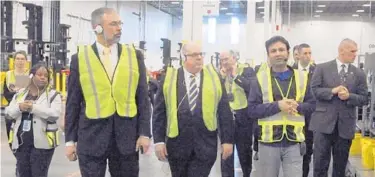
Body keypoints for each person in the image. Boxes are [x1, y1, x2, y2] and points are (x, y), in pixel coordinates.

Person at [64, 7, 151, 177]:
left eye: (120, 23)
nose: (119, 28)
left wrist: (145, 133)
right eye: (113, 24)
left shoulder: (134, 56)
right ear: (97, 28)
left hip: (126, 138)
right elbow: (73, 102)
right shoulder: (80, 58)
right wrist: (69, 141)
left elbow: (143, 98)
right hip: (91, 137)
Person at [153, 41, 234, 177]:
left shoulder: (214, 78)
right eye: (194, 55)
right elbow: (159, 112)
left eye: (201, 54)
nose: (199, 58)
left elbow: (224, 111)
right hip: (176, 146)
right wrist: (159, 141)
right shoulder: (170, 78)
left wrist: (227, 140)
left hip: (205, 145)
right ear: (184, 57)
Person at [248, 36, 315, 177]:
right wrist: (278, 106)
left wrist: (297, 106)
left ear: (288, 53)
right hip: (268, 143)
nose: (278, 53)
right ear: (268, 55)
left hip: (294, 142)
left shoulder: (303, 77)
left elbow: (312, 105)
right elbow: (252, 110)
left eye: (281, 49)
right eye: (273, 51)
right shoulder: (259, 79)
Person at [310, 39, 368, 177]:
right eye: (352, 51)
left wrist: (349, 96)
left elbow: (364, 98)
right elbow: (314, 91)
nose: (355, 54)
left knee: (340, 167)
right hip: (323, 125)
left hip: (345, 127)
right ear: (341, 50)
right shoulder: (322, 68)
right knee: (319, 165)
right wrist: (332, 91)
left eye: (356, 51)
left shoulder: (359, 73)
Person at [5, 63, 62, 177]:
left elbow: (54, 114)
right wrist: (19, 107)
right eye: (39, 75)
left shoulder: (53, 95)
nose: (43, 78)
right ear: (31, 76)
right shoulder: (20, 94)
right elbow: (8, 112)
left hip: (42, 145)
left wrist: (33, 108)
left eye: (45, 76)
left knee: (39, 174)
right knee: (23, 174)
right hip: (21, 144)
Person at [219, 50, 255, 177]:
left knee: (244, 152)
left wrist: (235, 76)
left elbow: (252, 88)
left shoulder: (246, 70)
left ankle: (247, 174)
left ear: (234, 58)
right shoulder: (220, 74)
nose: (224, 62)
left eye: (226, 59)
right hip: (225, 117)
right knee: (226, 152)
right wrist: (221, 78)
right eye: (221, 60)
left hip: (243, 116)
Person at [291, 43, 316, 177]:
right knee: (293, 151)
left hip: (311, 118)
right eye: (305, 53)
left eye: (309, 53)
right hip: (293, 115)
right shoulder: (289, 70)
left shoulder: (317, 71)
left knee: (307, 150)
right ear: (298, 55)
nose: (308, 56)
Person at [2, 51, 30, 141]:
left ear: (26, 61)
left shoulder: (29, 75)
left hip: (25, 111)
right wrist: (15, 97)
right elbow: (6, 92)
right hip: (11, 109)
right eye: (18, 59)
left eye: (22, 59)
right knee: (11, 136)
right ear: (14, 61)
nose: (20, 61)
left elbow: (30, 93)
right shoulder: (8, 74)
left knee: (23, 137)